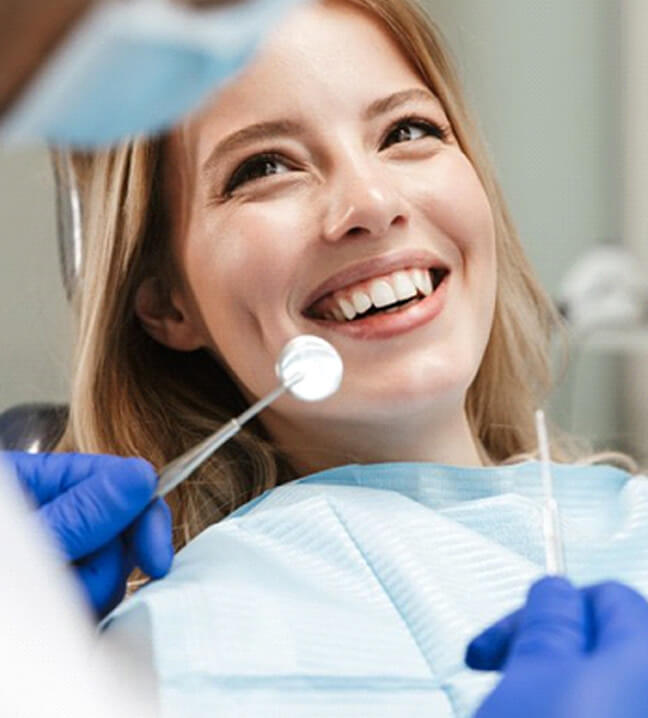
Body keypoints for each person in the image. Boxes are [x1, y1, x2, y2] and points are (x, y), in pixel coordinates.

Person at [51, 0, 648, 714]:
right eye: (264, 167)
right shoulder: (169, 650)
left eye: (407, 130)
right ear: (167, 306)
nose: (370, 201)